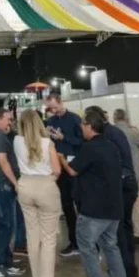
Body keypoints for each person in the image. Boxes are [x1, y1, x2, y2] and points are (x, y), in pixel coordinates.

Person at [70, 108, 134, 277]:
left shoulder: (90, 148)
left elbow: (73, 170)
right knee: (112, 249)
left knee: (87, 249)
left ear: (89, 126)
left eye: (83, 124)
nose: (81, 127)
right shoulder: (111, 146)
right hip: (113, 208)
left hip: (94, 210)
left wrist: (60, 158)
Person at [14, 110, 63, 277]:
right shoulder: (47, 143)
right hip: (45, 187)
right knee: (49, 240)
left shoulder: (17, 141)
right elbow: (57, 170)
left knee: (32, 237)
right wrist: (51, 178)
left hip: (25, 186)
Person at [91, 106, 139, 277]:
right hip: (129, 182)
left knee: (117, 234)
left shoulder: (107, 136)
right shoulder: (115, 132)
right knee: (125, 230)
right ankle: (130, 273)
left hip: (120, 184)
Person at [0, 108, 26, 277]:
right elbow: (3, 161)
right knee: (6, 225)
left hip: (2, 184)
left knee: (7, 224)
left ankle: (6, 261)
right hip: (2, 185)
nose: (10, 122)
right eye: (8, 119)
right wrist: (15, 182)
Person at [44, 94, 83, 258]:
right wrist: (46, 135)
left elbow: (82, 141)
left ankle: (88, 242)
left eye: (55, 107)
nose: (53, 110)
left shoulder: (74, 119)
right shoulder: (51, 121)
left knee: (80, 204)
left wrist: (64, 138)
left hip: (74, 165)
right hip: (58, 167)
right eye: (50, 108)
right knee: (66, 205)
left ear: (61, 102)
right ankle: (74, 242)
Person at [114, 109, 139, 246]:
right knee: (137, 204)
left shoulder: (111, 133)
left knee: (119, 203)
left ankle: (120, 232)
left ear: (114, 118)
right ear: (126, 118)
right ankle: (138, 233)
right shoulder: (132, 132)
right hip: (135, 173)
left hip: (116, 174)